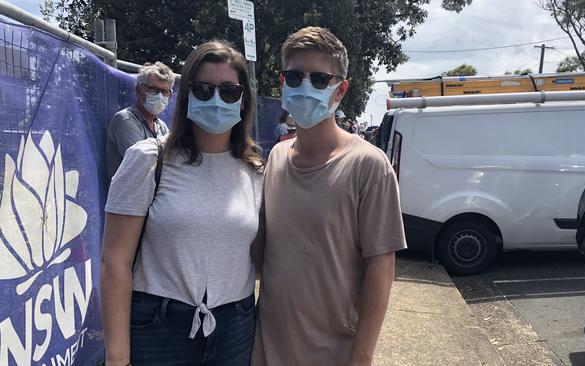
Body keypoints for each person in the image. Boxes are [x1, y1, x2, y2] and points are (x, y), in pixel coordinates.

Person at [101, 40, 264, 366]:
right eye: (203, 89)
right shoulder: (148, 159)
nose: (216, 99)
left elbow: (260, 259)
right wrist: (117, 355)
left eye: (229, 91)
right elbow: (114, 262)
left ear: (243, 100)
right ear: (187, 94)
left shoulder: (256, 170)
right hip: (159, 327)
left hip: (236, 326)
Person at [252, 27, 407, 366]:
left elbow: (381, 266)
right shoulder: (276, 157)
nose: (305, 86)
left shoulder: (369, 165)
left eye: (320, 79)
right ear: (282, 81)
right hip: (267, 347)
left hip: (332, 353)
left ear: (341, 90)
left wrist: (362, 356)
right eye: (294, 76)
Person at [106, 61, 174, 180]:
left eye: (165, 91)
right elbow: (144, 165)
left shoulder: (161, 125)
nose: (160, 96)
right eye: (153, 90)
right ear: (138, 90)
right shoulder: (125, 120)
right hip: (130, 196)